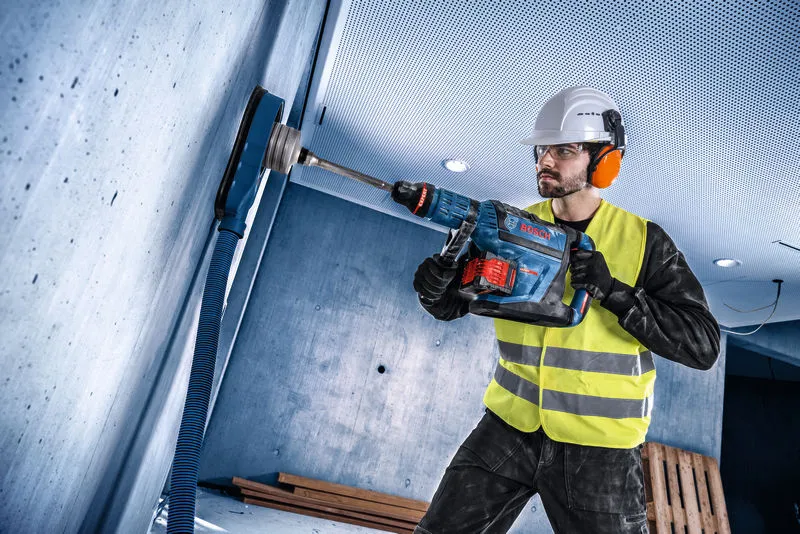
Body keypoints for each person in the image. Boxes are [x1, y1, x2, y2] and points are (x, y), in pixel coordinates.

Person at [411, 87, 720, 534]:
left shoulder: (644, 242)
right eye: (542, 149)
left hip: (601, 451)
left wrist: (615, 292)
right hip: (509, 427)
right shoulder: (512, 225)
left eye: (565, 150)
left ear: (604, 161)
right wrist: (436, 291)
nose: (545, 161)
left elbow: (703, 345)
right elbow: (455, 304)